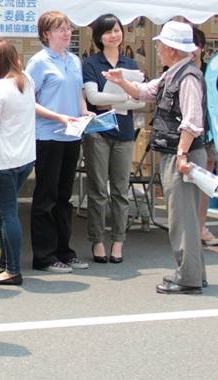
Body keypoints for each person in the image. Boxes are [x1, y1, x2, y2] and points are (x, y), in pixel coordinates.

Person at [104, 21, 208, 295]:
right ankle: (195, 273)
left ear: (173, 49)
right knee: (186, 218)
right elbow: (144, 92)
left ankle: (188, 278)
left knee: (181, 219)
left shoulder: (186, 78)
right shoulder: (174, 74)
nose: (158, 49)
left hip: (182, 153)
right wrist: (122, 81)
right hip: (179, 152)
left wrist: (183, 154)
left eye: (162, 45)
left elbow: (192, 121)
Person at [26, 11, 90, 274]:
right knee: (46, 195)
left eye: (68, 28)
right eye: (60, 29)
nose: (67, 32)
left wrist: (84, 110)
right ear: (46, 34)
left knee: (65, 195)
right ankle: (44, 255)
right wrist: (58, 117)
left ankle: (65, 250)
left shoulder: (74, 60)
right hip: (48, 136)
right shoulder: (39, 62)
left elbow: (79, 92)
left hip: (71, 134)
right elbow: (28, 101)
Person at [82, 14, 144, 264]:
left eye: (117, 30)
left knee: (120, 189)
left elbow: (141, 100)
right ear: (99, 36)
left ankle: (118, 241)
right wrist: (124, 100)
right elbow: (93, 99)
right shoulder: (90, 64)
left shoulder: (130, 65)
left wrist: (120, 99)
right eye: (107, 31)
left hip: (124, 132)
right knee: (98, 190)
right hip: (97, 131)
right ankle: (97, 240)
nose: (113, 35)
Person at [0, 40, 36, 286]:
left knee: (8, 213)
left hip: (4, 161)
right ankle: (4, 263)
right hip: (26, 158)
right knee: (2, 211)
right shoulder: (27, 81)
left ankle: (12, 270)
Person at [191, 28, 218, 248]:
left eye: (194, 45)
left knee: (205, 180)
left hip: (208, 133)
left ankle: (200, 226)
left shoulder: (212, 73)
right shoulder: (173, 71)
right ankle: (188, 227)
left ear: (202, 48)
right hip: (183, 136)